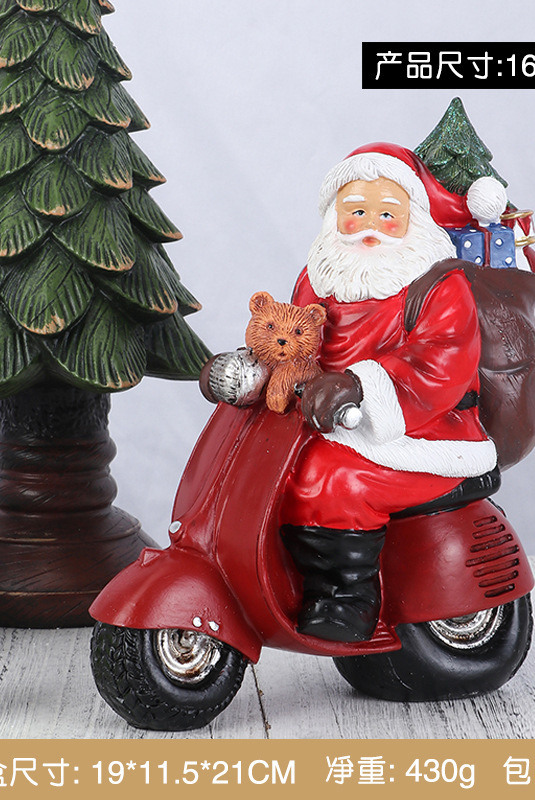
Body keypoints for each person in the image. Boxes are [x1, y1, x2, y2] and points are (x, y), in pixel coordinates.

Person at [207, 143, 509, 643]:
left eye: (388, 214)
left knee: (328, 478)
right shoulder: (321, 275)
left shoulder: (438, 286)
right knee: (261, 465)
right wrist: (251, 366)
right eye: (357, 211)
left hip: (424, 429)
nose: (371, 226)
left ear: (412, 218)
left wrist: (358, 384)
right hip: (328, 418)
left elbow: (442, 362)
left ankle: (346, 596)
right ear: (335, 215)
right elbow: (297, 342)